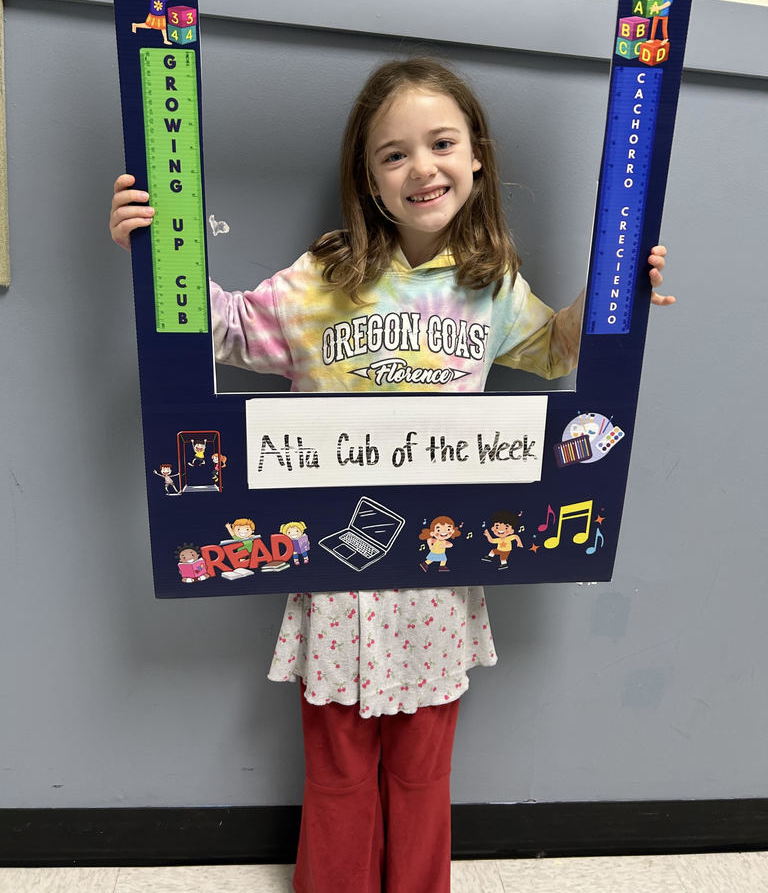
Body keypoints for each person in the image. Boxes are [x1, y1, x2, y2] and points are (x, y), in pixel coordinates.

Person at [110, 56, 673, 892]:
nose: (422, 168)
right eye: (394, 154)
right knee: (337, 769)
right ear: (368, 180)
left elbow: (556, 348)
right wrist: (161, 247)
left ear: (475, 156)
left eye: (441, 143)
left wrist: (617, 291)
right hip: (337, 577)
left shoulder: (491, 289)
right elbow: (224, 329)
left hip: (440, 580)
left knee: (421, 772)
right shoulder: (324, 278)